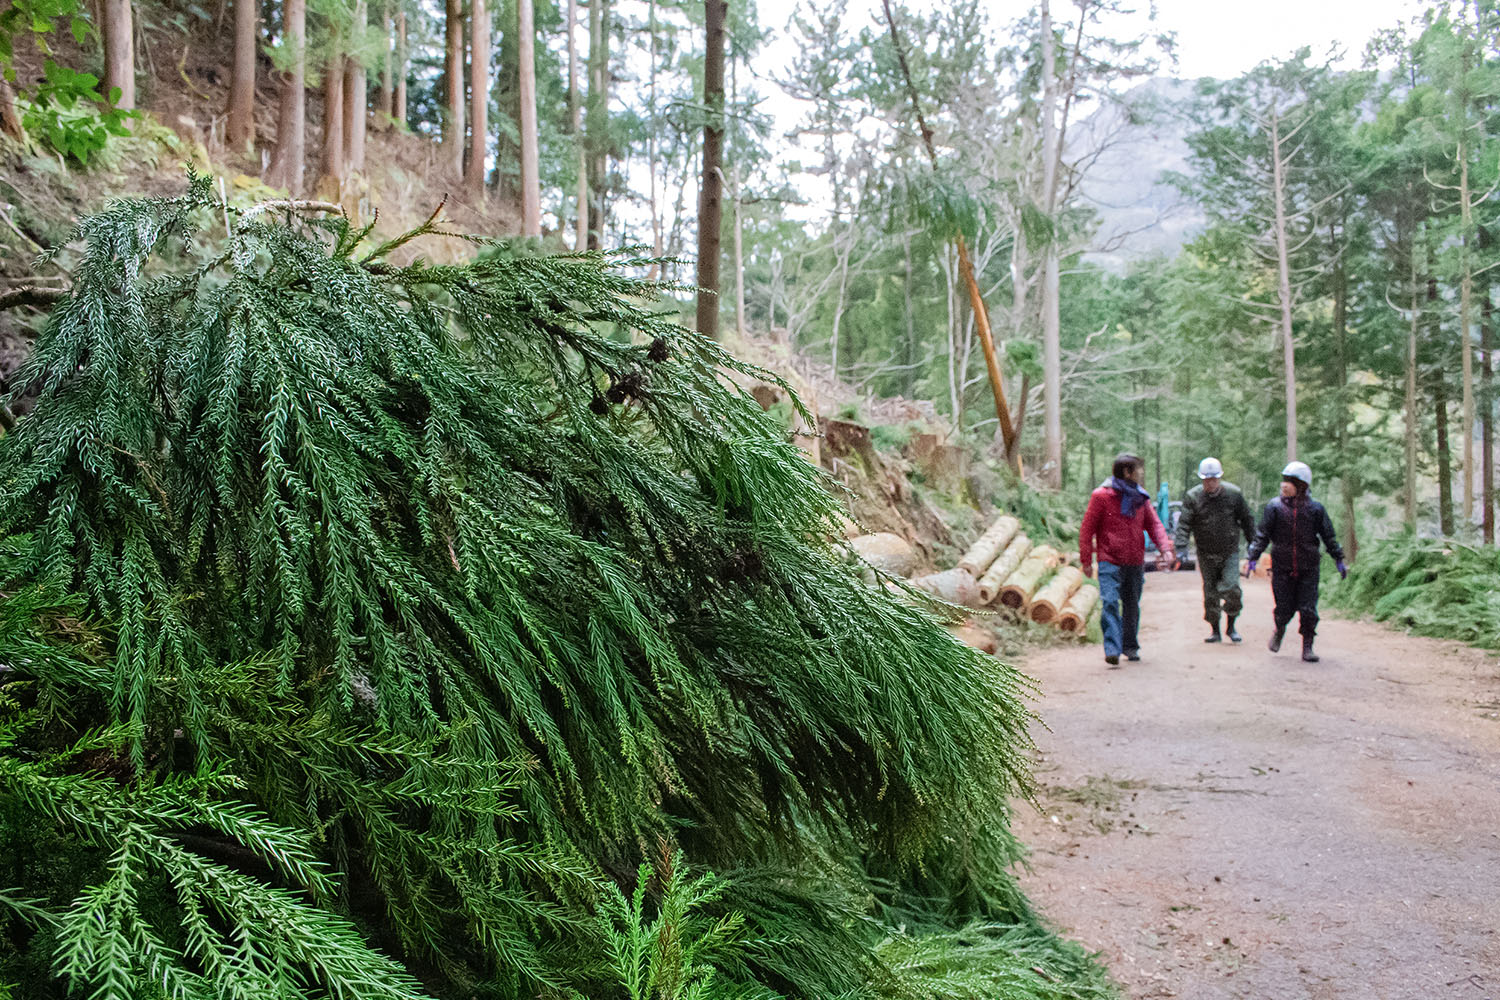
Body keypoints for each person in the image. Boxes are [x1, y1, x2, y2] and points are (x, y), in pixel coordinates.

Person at [1079, 453, 1176, 667]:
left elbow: (1154, 524)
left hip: (1134, 560)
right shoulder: (1101, 496)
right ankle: (1112, 649)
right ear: (1127, 472)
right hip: (1109, 559)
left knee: (1132, 604)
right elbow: (1087, 529)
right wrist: (1086, 560)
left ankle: (1130, 646)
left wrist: (1165, 548)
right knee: (1111, 602)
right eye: (1138, 470)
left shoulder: (1141, 497)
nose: (1141, 474)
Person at [1244, 461, 1347, 663]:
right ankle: (1280, 629)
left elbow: (1328, 536)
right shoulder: (1274, 508)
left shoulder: (1316, 509)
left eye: (1290, 482)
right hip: (1282, 567)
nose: (1285, 485)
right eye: (1284, 481)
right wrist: (1253, 557)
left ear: (1302, 486)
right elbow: (1262, 535)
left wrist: (1339, 558)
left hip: (1308, 567)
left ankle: (1307, 646)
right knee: (1283, 607)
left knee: (1308, 608)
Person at [1174, 457, 1256, 644]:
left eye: (1213, 479)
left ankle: (1231, 626)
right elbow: (1184, 524)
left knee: (1232, 588)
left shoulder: (1234, 495)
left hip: (1229, 551)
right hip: (1205, 552)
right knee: (1210, 593)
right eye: (1206, 480)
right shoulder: (1193, 497)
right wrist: (1181, 547)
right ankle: (1215, 630)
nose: (1210, 483)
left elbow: (1247, 520)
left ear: (1219, 478)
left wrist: (1254, 545)